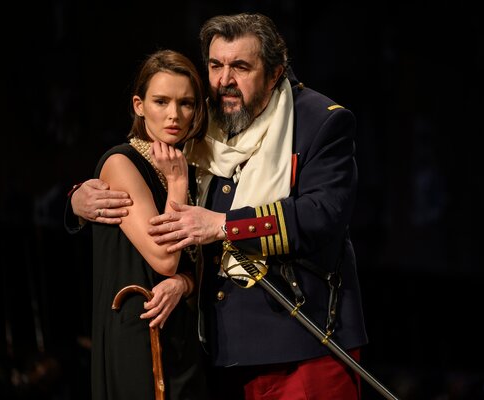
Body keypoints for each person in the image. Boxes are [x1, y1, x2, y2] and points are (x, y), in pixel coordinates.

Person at [67, 13, 368, 400]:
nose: (225, 79)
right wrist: (76, 198)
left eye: (240, 66)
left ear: (275, 73)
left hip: (301, 345)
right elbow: (142, 175)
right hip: (217, 350)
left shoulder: (316, 122)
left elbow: (321, 216)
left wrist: (225, 226)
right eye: (215, 66)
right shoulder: (203, 118)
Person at [83, 49, 209, 399]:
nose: (174, 115)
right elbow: (165, 259)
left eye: (186, 103)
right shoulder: (121, 163)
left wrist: (185, 283)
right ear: (139, 105)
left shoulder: (194, 166)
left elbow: (200, 263)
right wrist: (178, 184)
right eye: (161, 101)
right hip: (139, 330)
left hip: (182, 332)